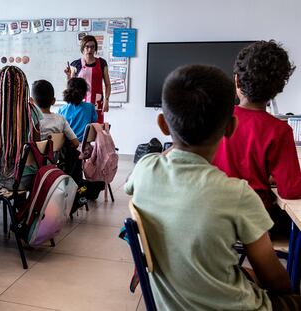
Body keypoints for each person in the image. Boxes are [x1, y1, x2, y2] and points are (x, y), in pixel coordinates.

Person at [125, 64, 301, 310]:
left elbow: (132, 185)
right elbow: (275, 280)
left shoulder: (144, 168)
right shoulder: (238, 193)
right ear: (230, 127)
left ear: (163, 125)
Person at [213, 40, 301, 234]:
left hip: (210, 215)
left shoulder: (215, 117)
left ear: (236, 80)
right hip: (252, 222)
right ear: (278, 89)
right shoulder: (279, 130)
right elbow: (291, 191)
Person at [64, 35, 111, 124]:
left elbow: (108, 84)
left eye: (92, 47)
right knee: (81, 126)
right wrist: (68, 76)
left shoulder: (102, 63)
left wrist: (107, 100)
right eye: (87, 47)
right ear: (83, 48)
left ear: (95, 48)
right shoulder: (76, 64)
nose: (90, 50)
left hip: (97, 102)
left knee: (97, 127)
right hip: (80, 102)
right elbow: (70, 86)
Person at [31, 79, 79, 148]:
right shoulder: (61, 119)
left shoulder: (30, 120)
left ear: (32, 102)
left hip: (32, 158)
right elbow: (76, 143)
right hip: (54, 158)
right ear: (53, 101)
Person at [58, 77, 97, 142]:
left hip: (67, 147)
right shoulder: (90, 107)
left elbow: (59, 129)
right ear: (85, 93)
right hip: (84, 147)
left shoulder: (62, 110)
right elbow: (94, 124)